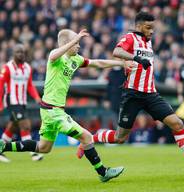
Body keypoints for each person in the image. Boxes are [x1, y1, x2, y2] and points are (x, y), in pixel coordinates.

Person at [77, 11, 184, 172]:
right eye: (148, 27)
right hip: (132, 94)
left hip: (151, 94)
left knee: (177, 124)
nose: (151, 31)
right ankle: (89, 139)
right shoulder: (130, 37)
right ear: (138, 26)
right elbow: (117, 52)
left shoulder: (148, 41)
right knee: (119, 137)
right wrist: (136, 58)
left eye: (153, 28)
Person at [0, 28, 135, 182]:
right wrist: (75, 38)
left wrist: (121, 63)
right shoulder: (56, 57)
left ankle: (4, 146)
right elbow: (53, 55)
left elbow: (97, 62)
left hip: (50, 110)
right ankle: (103, 172)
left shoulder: (75, 59)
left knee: (44, 148)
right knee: (87, 137)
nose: (79, 46)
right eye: (77, 43)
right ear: (66, 43)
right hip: (53, 111)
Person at [0, 44, 43, 163]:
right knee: (25, 125)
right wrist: (0, 103)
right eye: (18, 52)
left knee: (13, 126)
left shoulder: (28, 68)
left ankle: (0, 148)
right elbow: (0, 85)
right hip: (11, 101)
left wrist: (36, 97)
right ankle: (33, 153)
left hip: (22, 101)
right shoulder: (7, 67)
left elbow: (29, 85)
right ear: (13, 54)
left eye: (22, 52)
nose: (21, 54)